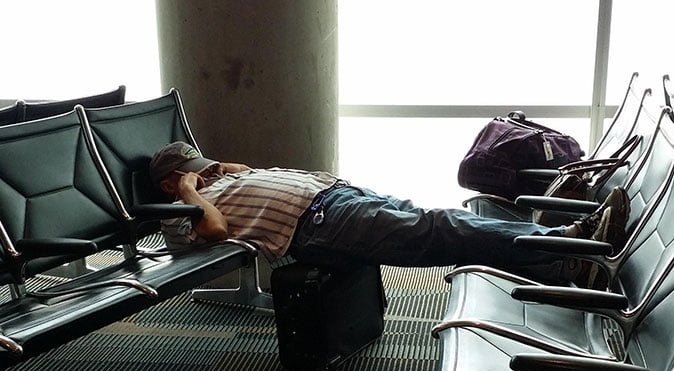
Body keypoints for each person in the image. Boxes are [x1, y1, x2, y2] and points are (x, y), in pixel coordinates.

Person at [149, 141, 629, 285]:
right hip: (316, 226)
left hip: (335, 198)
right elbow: (214, 229)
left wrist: (224, 167)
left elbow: (255, 171)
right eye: (194, 171)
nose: (207, 173)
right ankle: (570, 239)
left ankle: (560, 262)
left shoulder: (222, 179)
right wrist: (190, 188)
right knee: (440, 228)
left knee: (439, 226)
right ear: (172, 181)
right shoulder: (178, 209)